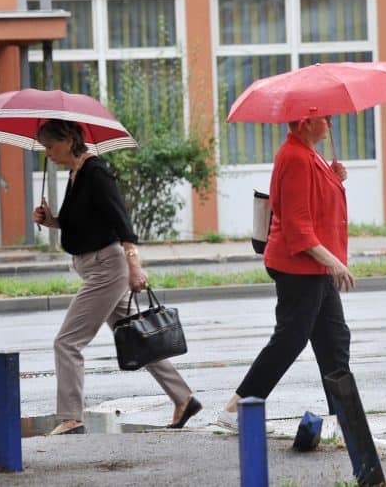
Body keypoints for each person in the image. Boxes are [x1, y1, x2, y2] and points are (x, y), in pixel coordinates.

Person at [32, 119, 202, 435]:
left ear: (68, 140)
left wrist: (134, 264)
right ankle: (184, 397)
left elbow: (122, 222)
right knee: (137, 337)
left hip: (107, 269)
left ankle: (71, 417)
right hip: (96, 266)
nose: (48, 154)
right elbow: (83, 226)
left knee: (67, 342)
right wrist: (52, 220)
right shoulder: (75, 175)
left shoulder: (96, 172)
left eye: (50, 146)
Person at [216, 115, 353, 430]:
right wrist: (332, 261)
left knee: (334, 341)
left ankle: (347, 425)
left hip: (314, 265)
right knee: (290, 340)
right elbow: (296, 224)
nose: (330, 124)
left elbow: (312, 203)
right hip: (299, 266)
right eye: (325, 119)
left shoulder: (309, 154)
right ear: (305, 122)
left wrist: (334, 178)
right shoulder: (293, 157)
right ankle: (236, 410)